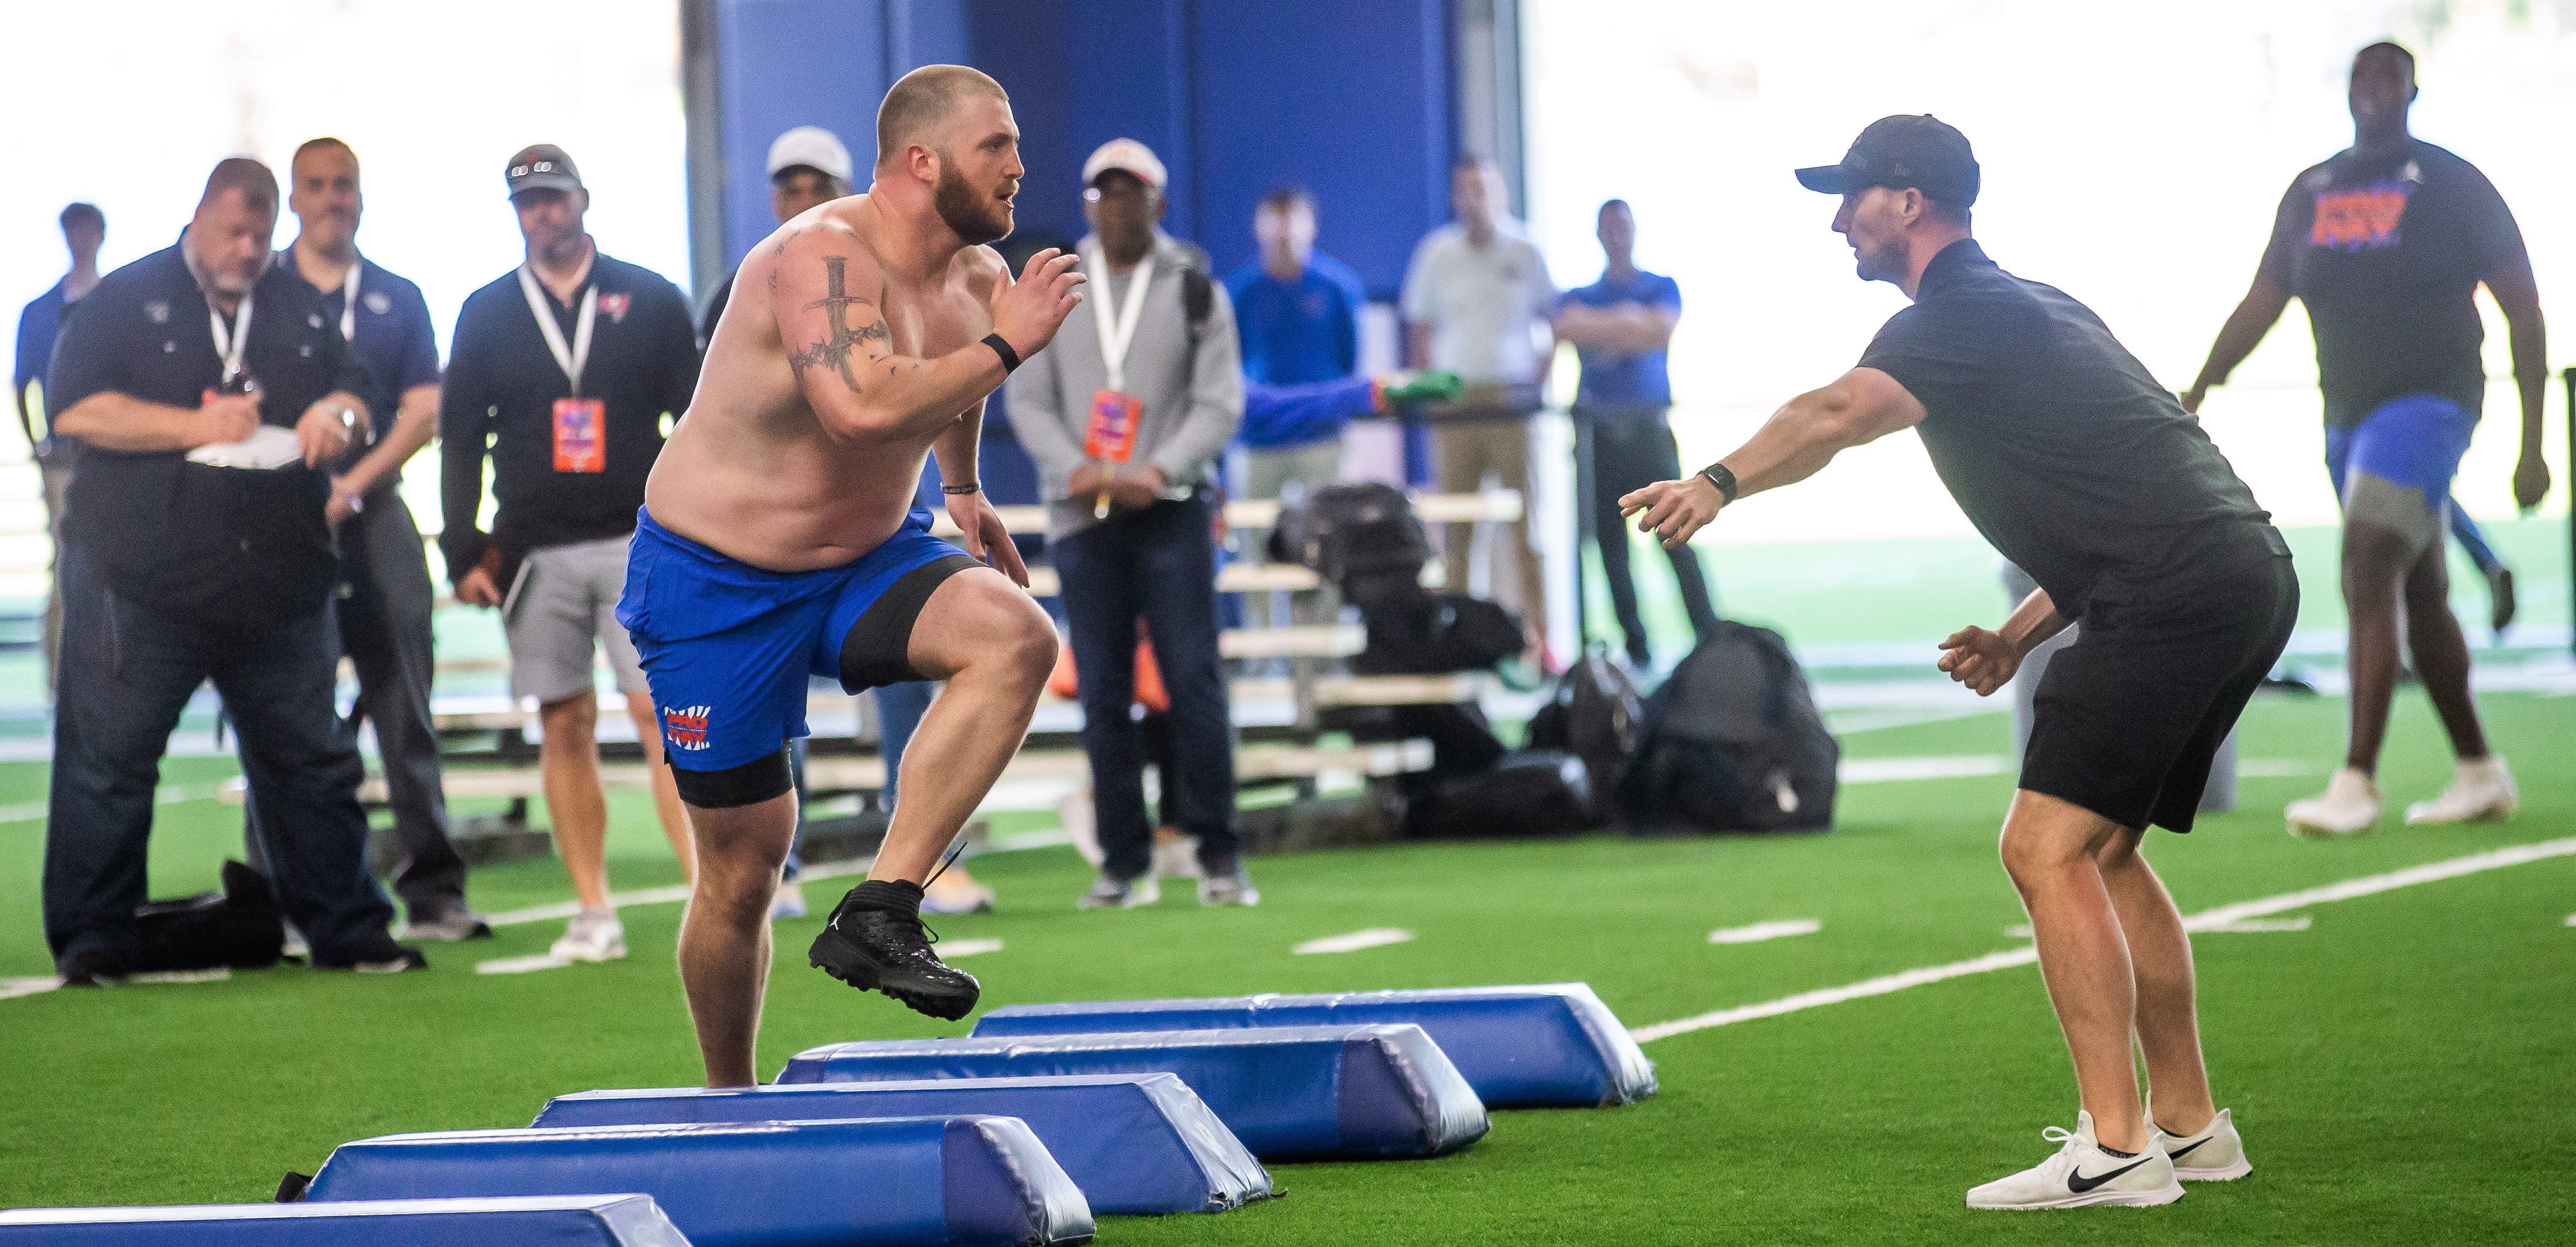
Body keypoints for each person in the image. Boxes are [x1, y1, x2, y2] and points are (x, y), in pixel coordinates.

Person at [1624, 116, 2296, 1209]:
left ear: (1907, 202)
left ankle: (2116, 1146)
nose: (1837, 219)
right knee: (2105, 848)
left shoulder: (1954, 317)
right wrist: (2018, 631)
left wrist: (1715, 477)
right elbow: (2132, 485)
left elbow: (1837, 410)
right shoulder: (2034, 304)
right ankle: (2186, 1125)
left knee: (2040, 847)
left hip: (2170, 590)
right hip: (2241, 568)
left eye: (1850, 196)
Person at [625, 64, 1078, 1085]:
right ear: (922, 161)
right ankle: (727, 1099)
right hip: (716, 580)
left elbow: (957, 370)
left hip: (866, 553)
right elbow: (863, 409)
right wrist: (1014, 343)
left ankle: (883, 904)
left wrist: (961, 488)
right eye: (995, 146)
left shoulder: (978, 275)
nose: (1018, 165)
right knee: (742, 871)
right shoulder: (818, 255)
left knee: (1016, 637)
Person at [43, 158, 422, 982]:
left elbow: (360, 391)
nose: (249, 250)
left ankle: (348, 927)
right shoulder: (125, 298)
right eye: (234, 232)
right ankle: (94, 940)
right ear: (199, 217)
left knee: (312, 762)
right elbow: (72, 407)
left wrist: (340, 413)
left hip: (279, 584)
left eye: (261, 235)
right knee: (108, 763)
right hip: (138, 581)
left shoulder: (301, 306)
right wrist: (194, 423)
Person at [2183, 42, 2547, 836]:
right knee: (2418, 592)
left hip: (2430, 404)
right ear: (2344, 91)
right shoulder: (2311, 190)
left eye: (2388, 79)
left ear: (2413, 90)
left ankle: (2354, 778)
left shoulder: (2451, 183)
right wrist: (2202, 381)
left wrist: (2532, 444)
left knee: (2364, 559)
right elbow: (2264, 296)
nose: (2373, 93)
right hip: (2344, 416)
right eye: (2360, 79)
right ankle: (2478, 769)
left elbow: (2522, 307)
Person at [441, 145, 702, 962]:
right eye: (526, 203)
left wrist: (700, 533)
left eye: (552, 198)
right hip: (534, 548)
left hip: (641, 539)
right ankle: (594, 908)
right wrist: (462, 551)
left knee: (664, 718)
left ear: (583, 200)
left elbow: (695, 423)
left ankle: (711, 897)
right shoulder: (485, 312)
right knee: (564, 723)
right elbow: (459, 441)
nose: (540, 213)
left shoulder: (651, 298)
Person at [244, 137, 487, 942]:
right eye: (314, 185)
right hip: (279, 517)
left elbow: (424, 408)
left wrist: (351, 487)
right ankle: (278, 894)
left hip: (375, 511)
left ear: (360, 195)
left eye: (342, 184)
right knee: (280, 704)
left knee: (404, 703)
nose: (330, 198)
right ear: (294, 198)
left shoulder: (397, 295)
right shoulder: (257, 293)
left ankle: (433, 889)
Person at [1008, 138, 1252, 911]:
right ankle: (1121, 861)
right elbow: (1025, 394)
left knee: (1192, 679)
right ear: (1086, 204)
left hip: (1170, 511)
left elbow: (1220, 402)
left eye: (1131, 192)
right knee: (1102, 691)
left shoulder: (1196, 289)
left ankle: (1218, 853)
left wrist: (1161, 470)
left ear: (1159, 202)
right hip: (1082, 514)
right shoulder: (1051, 284)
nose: (1116, 205)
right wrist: (1070, 470)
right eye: (1103, 192)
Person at [1401, 157, 1557, 661]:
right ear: (1455, 197)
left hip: (1512, 399)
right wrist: (1430, 390)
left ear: (1501, 193)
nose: (1477, 199)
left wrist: (1536, 383)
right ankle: (1459, 640)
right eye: (1466, 189)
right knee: (1458, 525)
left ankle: (1540, 641)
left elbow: (1552, 322)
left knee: (1525, 526)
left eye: (1484, 188)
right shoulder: (1436, 254)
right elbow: (1419, 329)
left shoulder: (1525, 249)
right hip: (1456, 401)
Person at [1554, 199, 1718, 669]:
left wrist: (1601, 331)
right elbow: (1566, 328)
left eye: (1623, 226)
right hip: (1596, 435)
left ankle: (1708, 634)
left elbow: (1655, 332)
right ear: (1599, 234)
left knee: (1676, 532)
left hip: (1648, 428)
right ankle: (1636, 645)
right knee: (1611, 547)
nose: (1617, 234)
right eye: (1609, 227)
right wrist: (1628, 322)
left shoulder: (1660, 286)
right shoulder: (1578, 294)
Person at [1226, 186, 1366, 626]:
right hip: (1257, 441)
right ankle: (1262, 650)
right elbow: (1227, 365)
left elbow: (1348, 360)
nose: (1285, 231)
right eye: (1275, 218)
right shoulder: (1239, 292)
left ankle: (1322, 648)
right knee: (1255, 547)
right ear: (1259, 226)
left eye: (1294, 219)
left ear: (1311, 225)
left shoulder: (1338, 288)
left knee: (1326, 540)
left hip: (1321, 439)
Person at [14, 201, 104, 693]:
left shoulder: (116, 301)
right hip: (65, 457)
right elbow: (21, 382)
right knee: (68, 556)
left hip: (113, 454)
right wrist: (38, 445)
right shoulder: (41, 311)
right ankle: (60, 679)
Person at [699, 126, 855, 347]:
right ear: (776, 201)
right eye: (793, 192)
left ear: (847, 192)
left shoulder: (883, 275)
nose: (806, 205)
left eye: (820, 190)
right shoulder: (737, 293)